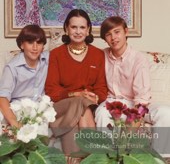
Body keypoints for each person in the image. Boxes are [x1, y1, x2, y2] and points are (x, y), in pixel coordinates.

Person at [95, 16, 170, 155]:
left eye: (117, 32)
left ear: (126, 32)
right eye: (108, 34)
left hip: (136, 103)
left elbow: (142, 100)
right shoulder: (101, 55)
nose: (113, 38)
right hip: (112, 102)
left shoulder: (138, 58)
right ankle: (107, 157)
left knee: (166, 113)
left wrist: (129, 133)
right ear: (105, 39)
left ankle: (160, 158)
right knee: (101, 114)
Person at [45, 9, 108, 156]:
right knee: (81, 103)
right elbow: (51, 90)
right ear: (66, 29)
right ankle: (95, 156)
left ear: (88, 30)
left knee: (83, 106)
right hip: (63, 105)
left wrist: (95, 97)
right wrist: (75, 94)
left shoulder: (98, 55)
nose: (78, 31)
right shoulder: (56, 55)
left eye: (82, 27)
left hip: (87, 104)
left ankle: (75, 158)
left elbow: (101, 88)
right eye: (74, 27)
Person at [0, 24, 49, 128]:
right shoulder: (12, 67)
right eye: (30, 42)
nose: (35, 47)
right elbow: (3, 97)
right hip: (19, 107)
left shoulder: (48, 59)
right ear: (22, 45)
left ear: (43, 46)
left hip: (40, 107)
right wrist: (14, 122)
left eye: (39, 43)